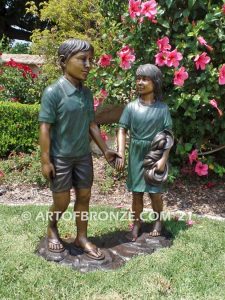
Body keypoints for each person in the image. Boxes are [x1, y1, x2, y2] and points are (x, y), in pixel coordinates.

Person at [39, 38, 119, 260]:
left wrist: (105, 150)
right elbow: (45, 128)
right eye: (82, 59)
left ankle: (81, 237)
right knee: (62, 201)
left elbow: (91, 125)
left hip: (83, 157)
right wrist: (46, 160)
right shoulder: (53, 92)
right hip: (61, 158)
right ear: (64, 61)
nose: (88, 65)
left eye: (91, 60)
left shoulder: (86, 93)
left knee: (84, 197)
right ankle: (52, 228)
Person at [115, 64, 172, 241]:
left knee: (155, 192)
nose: (140, 82)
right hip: (135, 154)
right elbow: (122, 129)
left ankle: (158, 220)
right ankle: (137, 223)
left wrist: (163, 159)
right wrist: (121, 153)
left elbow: (168, 135)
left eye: (145, 79)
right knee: (136, 193)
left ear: (155, 82)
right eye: (138, 78)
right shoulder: (132, 107)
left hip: (155, 153)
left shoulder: (162, 109)